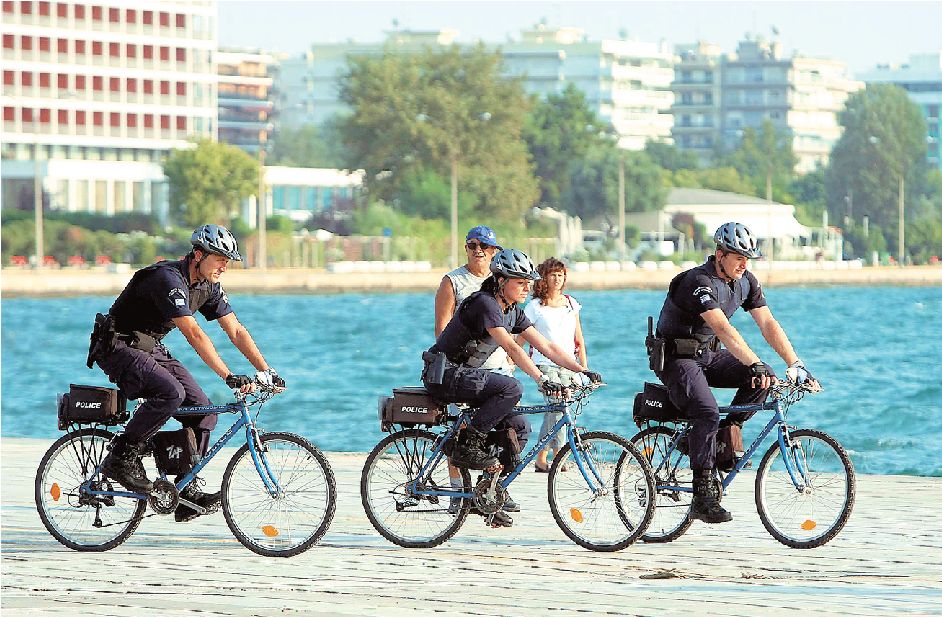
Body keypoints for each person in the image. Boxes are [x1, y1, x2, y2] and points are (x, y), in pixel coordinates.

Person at [93, 224, 284, 523]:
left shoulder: (207, 286)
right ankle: (121, 456)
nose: (225, 265)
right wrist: (228, 375)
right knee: (171, 393)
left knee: (204, 412)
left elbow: (235, 330)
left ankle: (184, 493)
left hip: (148, 346)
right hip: (118, 346)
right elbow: (193, 333)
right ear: (198, 254)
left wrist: (266, 371)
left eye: (228, 259)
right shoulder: (168, 280)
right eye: (220, 258)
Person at [652, 222, 819, 524]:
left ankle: (716, 440)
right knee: (706, 410)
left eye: (748, 258)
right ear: (719, 255)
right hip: (676, 360)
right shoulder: (698, 281)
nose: (744, 263)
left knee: (762, 380)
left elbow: (767, 323)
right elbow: (722, 327)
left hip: (709, 355)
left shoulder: (746, 281)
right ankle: (702, 497)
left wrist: (795, 363)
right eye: (738, 257)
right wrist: (754, 360)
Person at [423, 248, 601, 526]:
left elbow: (547, 346)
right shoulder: (485, 304)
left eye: (528, 281)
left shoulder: (512, 311)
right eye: (520, 281)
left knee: (519, 428)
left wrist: (581, 369)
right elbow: (512, 349)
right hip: (444, 374)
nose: (527, 287)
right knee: (511, 387)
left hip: (465, 375)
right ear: (501, 280)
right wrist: (542, 379)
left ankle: (488, 494)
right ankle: (468, 444)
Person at [434, 225, 515, 514]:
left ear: (495, 252)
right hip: (464, 371)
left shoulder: (502, 282)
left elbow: (513, 325)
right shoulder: (453, 281)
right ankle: (458, 493)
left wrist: (511, 357)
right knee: (461, 433)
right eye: (472, 245)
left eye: (485, 246)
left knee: (503, 431)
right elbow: (442, 329)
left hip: (497, 369)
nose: (478, 250)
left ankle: (488, 493)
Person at [523, 258, 588, 473]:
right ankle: (559, 456)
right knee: (557, 408)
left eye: (560, 274)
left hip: (568, 364)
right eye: (553, 274)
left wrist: (584, 368)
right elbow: (520, 337)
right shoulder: (534, 307)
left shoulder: (570, 303)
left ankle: (542, 457)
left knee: (557, 410)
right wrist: (511, 360)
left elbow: (578, 338)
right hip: (544, 364)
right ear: (544, 278)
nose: (557, 278)